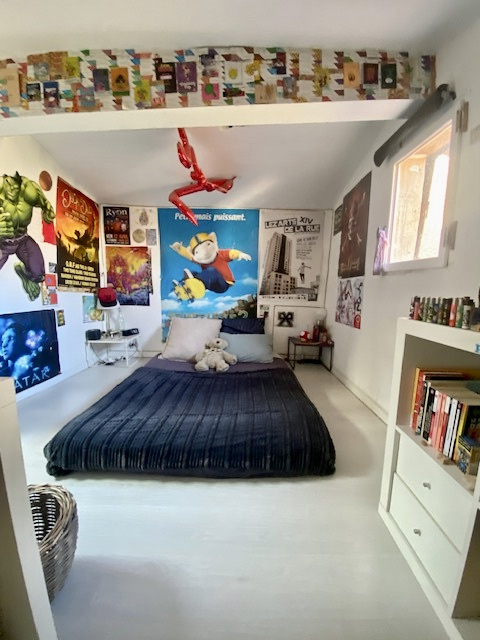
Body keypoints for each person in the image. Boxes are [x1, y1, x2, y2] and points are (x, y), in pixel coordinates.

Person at [0, 171, 55, 300]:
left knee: (39, 275)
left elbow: (45, 206)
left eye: (16, 188)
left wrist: (47, 212)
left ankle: (24, 274)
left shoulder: (29, 190)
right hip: (2, 242)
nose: (12, 191)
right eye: (9, 186)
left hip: (22, 240)